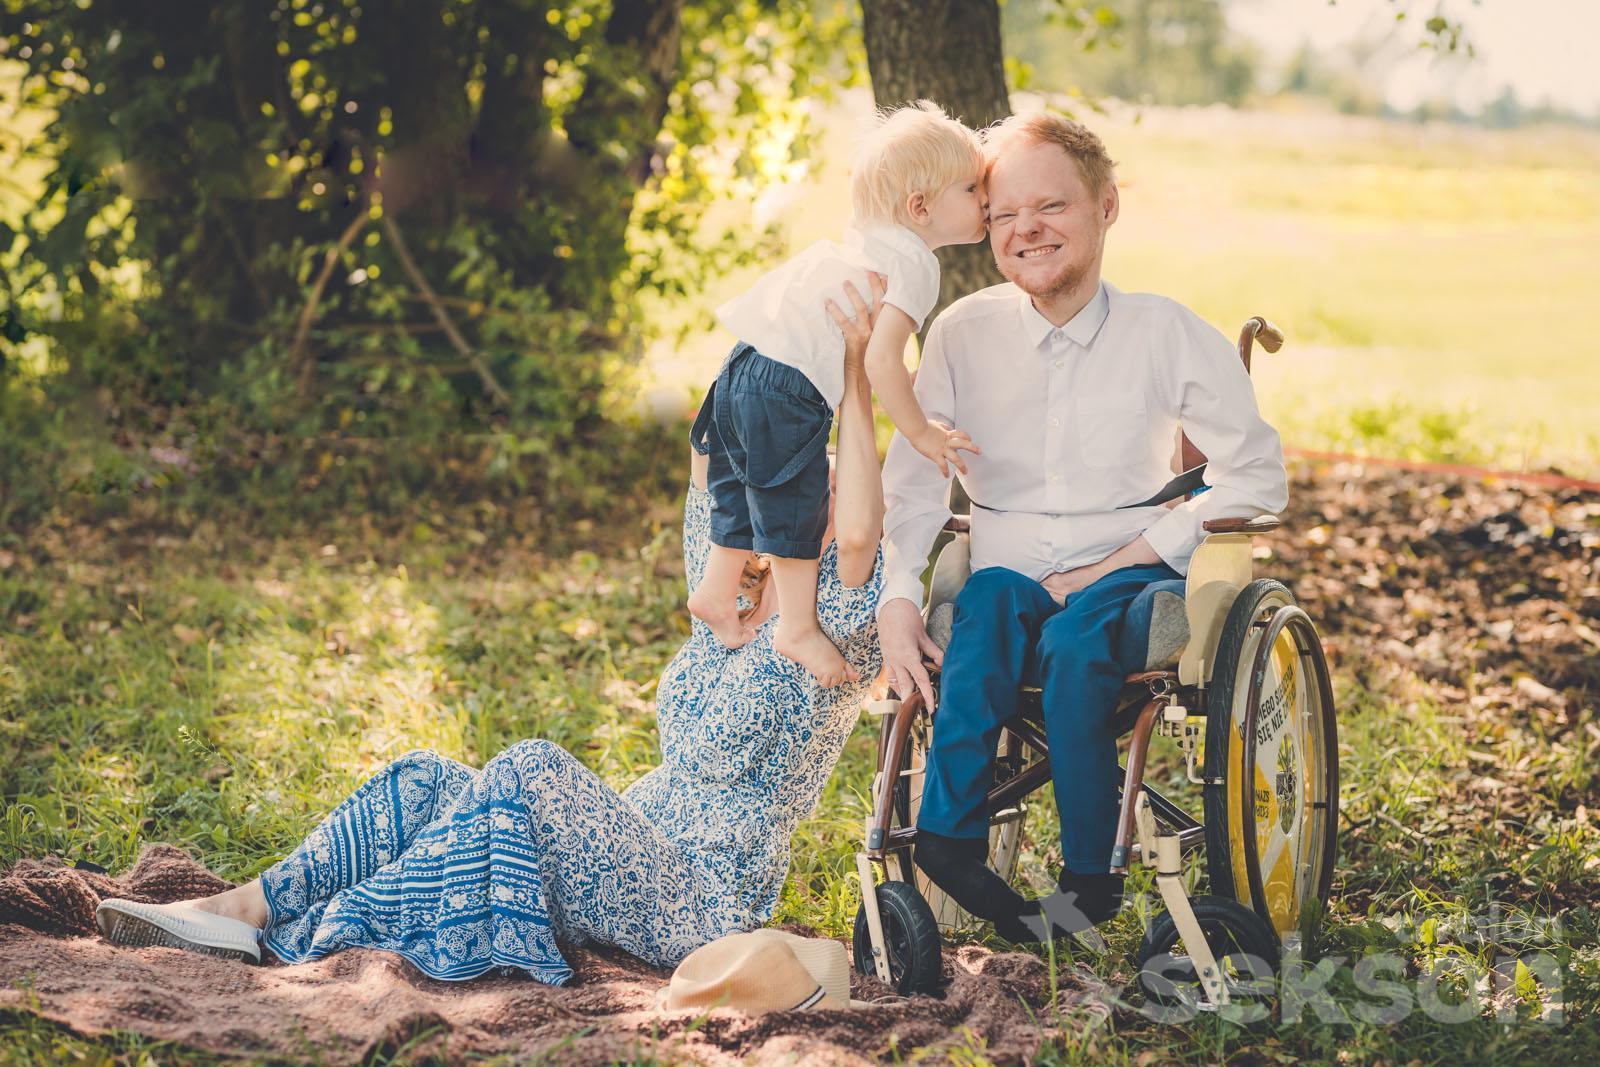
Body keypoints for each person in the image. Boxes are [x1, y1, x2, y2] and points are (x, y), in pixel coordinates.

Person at [95, 280, 891, 983]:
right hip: (623, 849)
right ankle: (238, 909)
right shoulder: (729, 585)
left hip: (704, 901)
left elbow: (856, 528)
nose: (792, 489)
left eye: (815, 478)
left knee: (534, 769)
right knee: (423, 778)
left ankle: (304, 939)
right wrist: (779, 328)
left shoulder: (838, 617)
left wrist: (856, 373)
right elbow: (714, 446)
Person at [875, 112, 1289, 941]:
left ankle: (1086, 881)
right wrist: (895, 598)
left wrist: (1136, 553)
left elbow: (1258, 473)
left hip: (1128, 571)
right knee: (987, 605)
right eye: (1002, 214)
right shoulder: (962, 334)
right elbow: (916, 482)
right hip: (1008, 569)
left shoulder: (1165, 331)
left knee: (1078, 643)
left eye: (1051, 206)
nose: (1025, 228)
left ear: (1106, 206)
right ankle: (949, 841)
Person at [688, 101, 986, 688]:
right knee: (794, 501)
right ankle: (797, 625)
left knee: (745, 481)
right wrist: (922, 432)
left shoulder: (867, 240)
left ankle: (718, 589)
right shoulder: (916, 264)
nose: (986, 199)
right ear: (920, 207)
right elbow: (881, 358)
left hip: (742, 364)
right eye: (974, 187)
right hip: (788, 384)